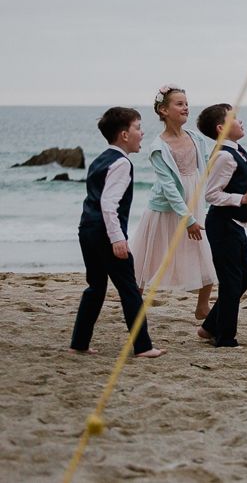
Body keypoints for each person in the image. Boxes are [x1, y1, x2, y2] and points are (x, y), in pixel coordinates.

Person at [69, 107, 166, 358]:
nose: (142, 133)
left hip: (87, 230)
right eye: (137, 128)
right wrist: (117, 239)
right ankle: (143, 346)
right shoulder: (122, 163)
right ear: (124, 135)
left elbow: (96, 200)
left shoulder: (100, 159)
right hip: (105, 233)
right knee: (129, 289)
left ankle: (79, 343)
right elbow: (108, 204)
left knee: (96, 287)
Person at [131, 85, 217, 320]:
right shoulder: (158, 147)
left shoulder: (196, 138)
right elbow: (169, 187)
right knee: (146, 261)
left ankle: (202, 306)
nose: (186, 107)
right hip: (166, 208)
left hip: (194, 203)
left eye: (187, 103)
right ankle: (133, 306)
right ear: (163, 110)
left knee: (204, 253)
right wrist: (186, 219)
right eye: (179, 104)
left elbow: (210, 168)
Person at [195, 103, 247, 348]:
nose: (240, 121)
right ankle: (224, 338)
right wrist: (242, 199)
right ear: (222, 128)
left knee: (244, 277)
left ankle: (209, 326)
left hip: (235, 223)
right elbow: (211, 194)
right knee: (232, 281)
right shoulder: (223, 155)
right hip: (222, 224)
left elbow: (238, 176)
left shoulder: (236, 150)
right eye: (234, 118)